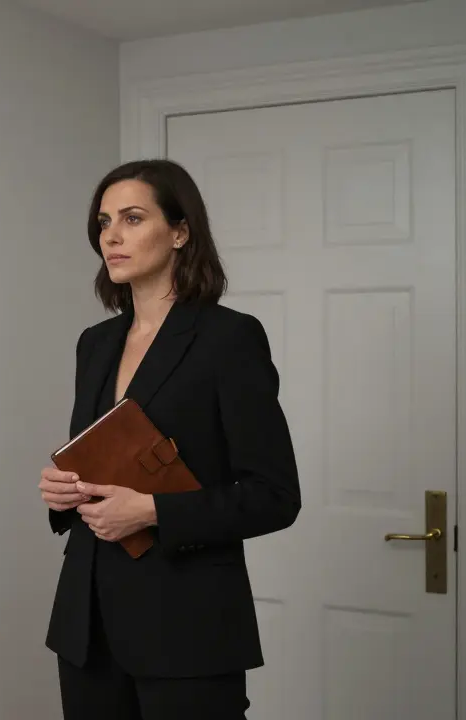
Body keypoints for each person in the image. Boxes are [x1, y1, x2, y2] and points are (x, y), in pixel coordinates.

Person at [37, 159, 301, 719]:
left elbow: (275, 496)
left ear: (180, 232)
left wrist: (153, 510)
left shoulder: (229, 339)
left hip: (188, 627)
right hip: (88, 627)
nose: (112, 235)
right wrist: (63, 492)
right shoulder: (95, 343)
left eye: (133, 218)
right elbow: (101, 463)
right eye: (104, 222)